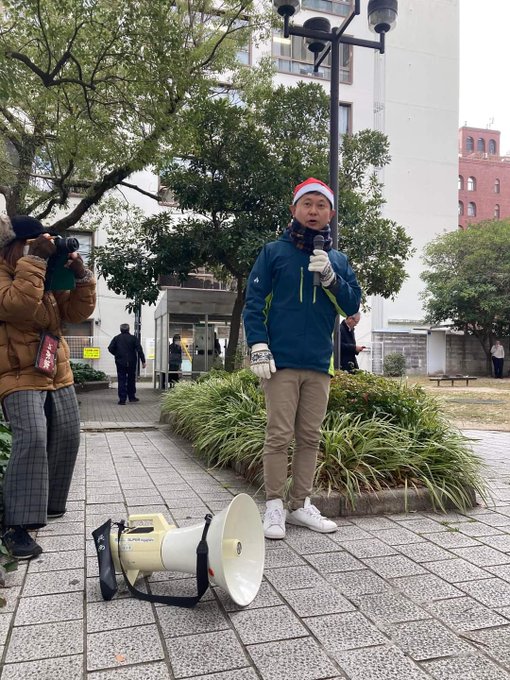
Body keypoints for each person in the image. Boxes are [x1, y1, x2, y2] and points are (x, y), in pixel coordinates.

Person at [243, 178, 361, 540]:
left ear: (331, 214)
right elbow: (253, 304)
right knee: (278, 435)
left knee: (310, 436)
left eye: (321, 205)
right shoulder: (273, 252)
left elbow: (352, 305)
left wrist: (331, 277)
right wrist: (258, 346)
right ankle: (275, 505)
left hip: (319, 364)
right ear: (293, 209)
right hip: (279, 362)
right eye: (307, 204)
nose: (314, 211)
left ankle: (300, 504)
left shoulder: (338, 260)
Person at [0, 214, 96, 559]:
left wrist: (81, 276)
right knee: (33, 437)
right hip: (17, 371)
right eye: (34, 243)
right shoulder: (7, 271)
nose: (43, 248)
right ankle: (16, 525)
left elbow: (75, 312)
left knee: (68, 432)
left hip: (55, 365)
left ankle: (50, 505)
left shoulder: (40, 272)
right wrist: (37, 260)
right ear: (16, 246)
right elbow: (17, 304)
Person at [108, 324, 146, 404]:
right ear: (129, 329)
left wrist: (117, 354)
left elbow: (110, 348)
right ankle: (132, 397)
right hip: (132, 362)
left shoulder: (116, 338)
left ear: (120, 329)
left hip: (120, 362)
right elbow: (139, 350)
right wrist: (143, 361)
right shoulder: (133, 338)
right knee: (131, 379)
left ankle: (122, 399)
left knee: (121, 379)